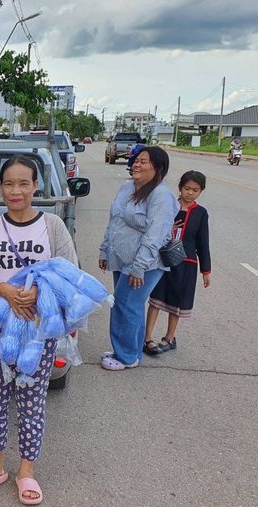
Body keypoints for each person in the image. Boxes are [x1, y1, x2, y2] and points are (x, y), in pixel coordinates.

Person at [0, 156, 78, 505]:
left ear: (36, 186)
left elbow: (69, 271)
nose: (16, 191)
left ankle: (26, 472)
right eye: (9, 184)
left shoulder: (52, 226)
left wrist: (38, 293)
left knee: (32, 403)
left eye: (23, 183)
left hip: (37, 332)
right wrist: (5, 291)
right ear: (0, 188)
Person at [98, 146, 178, 371]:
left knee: (125, 305)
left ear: (158, 168)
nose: (136, 164)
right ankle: (127, 351)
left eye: (144, 161)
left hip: (144, 264)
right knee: (129, 306)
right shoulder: (127, 188)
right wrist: (105, 250)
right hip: (122, 258)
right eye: (136, 160)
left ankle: (126, 357)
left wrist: (138, 267)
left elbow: (156, 236)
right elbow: (114, 220)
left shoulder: (161, 196)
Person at [143, 171, 211, 355]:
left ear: (201, 191)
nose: (190, 193)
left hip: (186, 263)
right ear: (180, 187)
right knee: (156, 299)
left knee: (177, 302)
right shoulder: (169, 205)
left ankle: (169, 338)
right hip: (163, 260)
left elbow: (203, 243)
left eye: (195, 190)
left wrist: (206, 271)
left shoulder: (201, 213)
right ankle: (147, 338)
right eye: (187, 188)